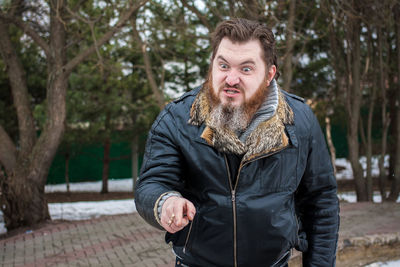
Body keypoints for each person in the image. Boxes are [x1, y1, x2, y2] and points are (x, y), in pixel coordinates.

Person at [135, 18, 339, 267]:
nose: (231, 79)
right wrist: (165, 202)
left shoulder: (299, 121)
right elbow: (151, 183)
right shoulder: (178, 119)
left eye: (246, 69)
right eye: (223, 66)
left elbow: (321, 201)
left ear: (269, 74)